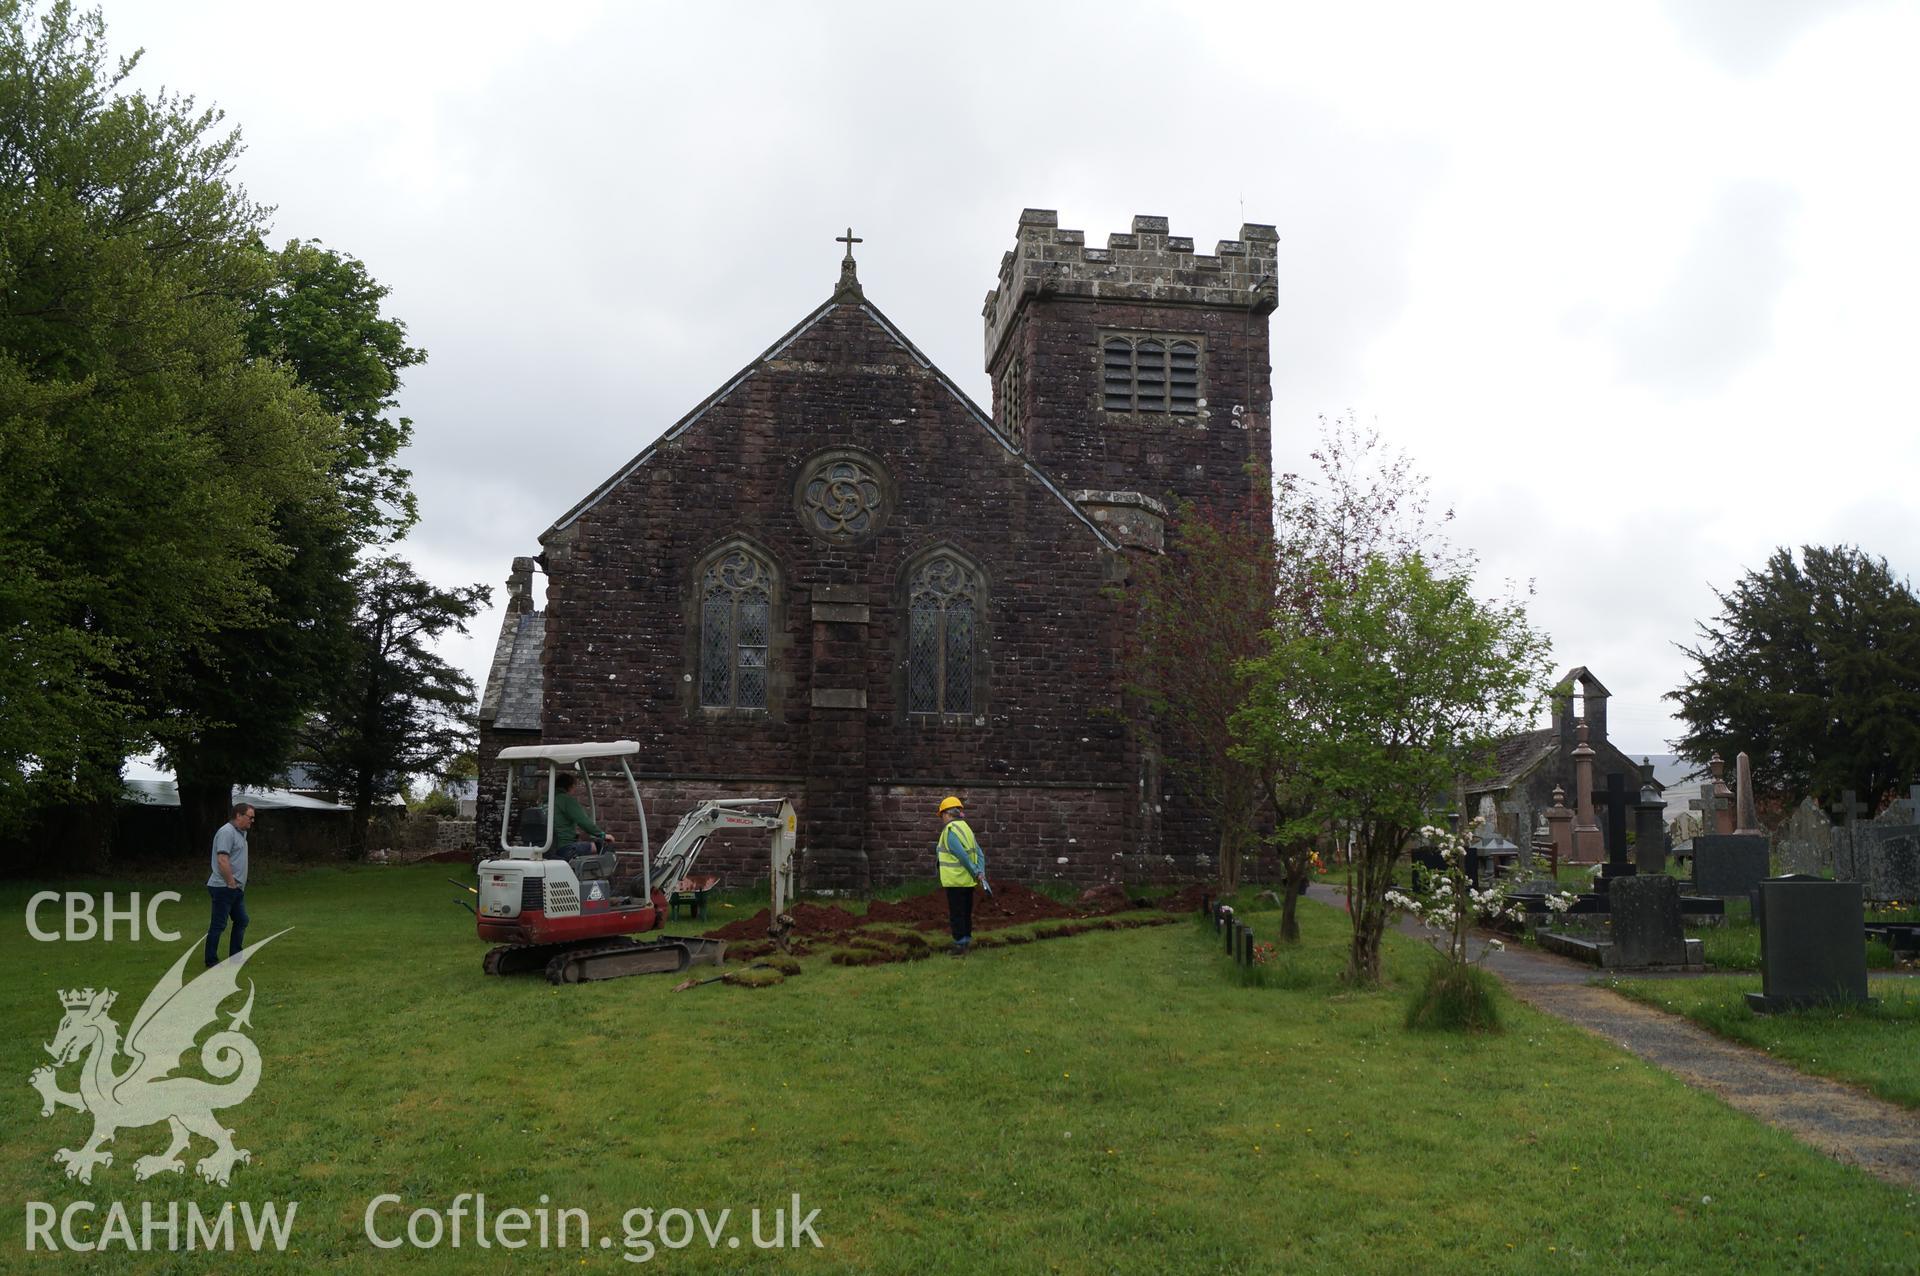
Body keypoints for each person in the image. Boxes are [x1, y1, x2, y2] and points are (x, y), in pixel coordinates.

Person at [935, 795, 989, 956]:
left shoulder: (950, 831)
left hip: (955, 880)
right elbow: (979, 853)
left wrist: (976, 872)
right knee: (965, 912)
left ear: (947, 814)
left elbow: (963, 856)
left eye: (941, 815)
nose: (942, 819)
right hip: (968, 881)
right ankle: (965, 941)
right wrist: (980, 872)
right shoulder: (966, 828)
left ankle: (959, 946)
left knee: (957, 913)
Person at [206, 802, 255, 968]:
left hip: (235, 888)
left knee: (242, 920)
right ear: (238, 816)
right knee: (219, 924)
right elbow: (222, 859)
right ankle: (211, 960)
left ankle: (235, 957)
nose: (252, 820)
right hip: (223, 887)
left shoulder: (241, 833)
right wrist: (230, 882)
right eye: (250, 817)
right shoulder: (226, 832)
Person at [550, 772, 614, 863]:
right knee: (603, 846)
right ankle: (593, 875)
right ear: (570, 786)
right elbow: (583, 821)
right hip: (564, 847)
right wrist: (602, 835)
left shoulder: (546, 801)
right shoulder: (566, 800)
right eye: (574, 787)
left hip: (548, 848)